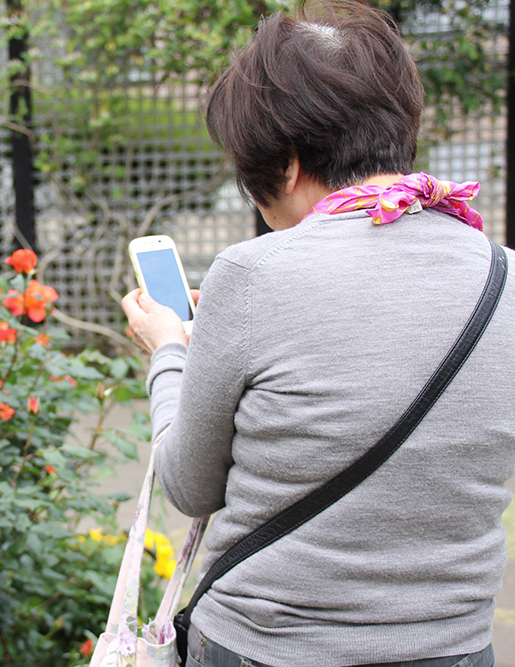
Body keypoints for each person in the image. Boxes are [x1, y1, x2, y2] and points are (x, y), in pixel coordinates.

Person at [119, 2, 515, 666]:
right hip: (456, 647)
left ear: (291, 163)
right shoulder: (504, 277)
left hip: (267, 649)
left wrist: (167, 351)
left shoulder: (251, 276)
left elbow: (188, 484)